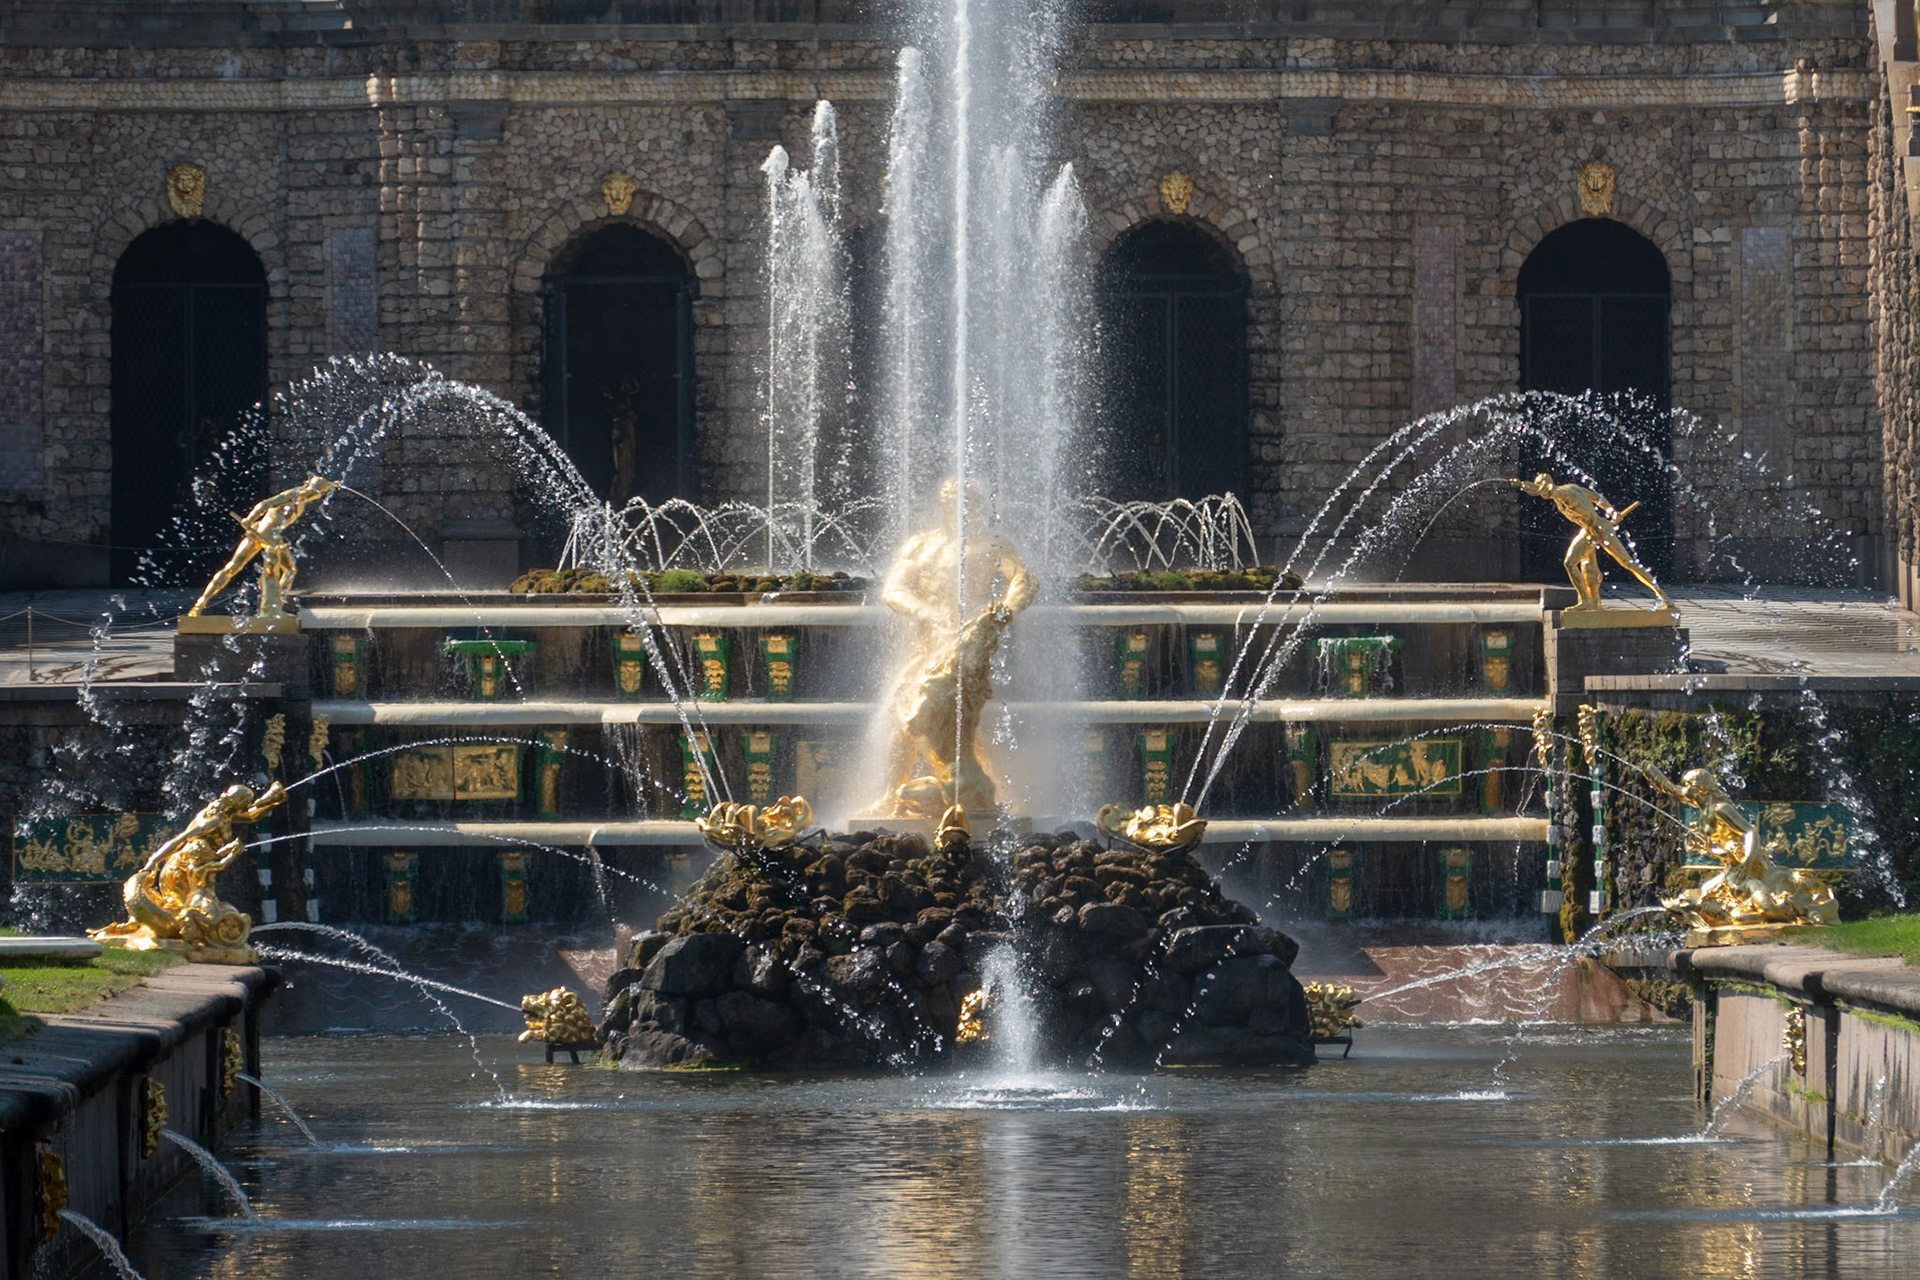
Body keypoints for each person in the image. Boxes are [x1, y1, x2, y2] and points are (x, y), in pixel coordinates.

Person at [877, 480, 1037, 817]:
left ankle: (999, 794)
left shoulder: (991, 543)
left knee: (973, 719)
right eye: (950, 502)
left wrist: (1004, 612)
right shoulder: (920, 545)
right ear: (942, 505)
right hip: (929, 643)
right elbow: (893, 589)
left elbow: (1024, 579)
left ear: (976, 506)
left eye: (966, 503)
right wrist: (926, 611)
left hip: (970, 641)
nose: (958, 509)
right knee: (901, 712)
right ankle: (891, 796)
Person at [1510, 472, 1670, 612]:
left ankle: (1662, 596)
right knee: (1584, 563)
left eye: (1543, 491)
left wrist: (1523, 485)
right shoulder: (1571, 487)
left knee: (1626, 563)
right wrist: (1612, 511)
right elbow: (1597, 498)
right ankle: (1591, 602)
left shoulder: (1560, 494)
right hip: (1590, 530)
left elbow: (1539, 491)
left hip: (1598, 530)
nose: (1543, 495)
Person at [188, 475, 336, 619]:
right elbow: (265, 504)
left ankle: (275, 607)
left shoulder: (301, 503)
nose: (317, 496)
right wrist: (249, 519)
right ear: (312, 489)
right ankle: (199, 605)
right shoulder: (294, 494)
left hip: (272, 537)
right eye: (318, 492)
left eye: (320, 494)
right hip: (262, 532)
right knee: (233, 567)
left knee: (289, 570)